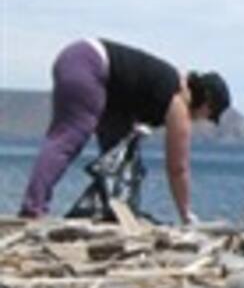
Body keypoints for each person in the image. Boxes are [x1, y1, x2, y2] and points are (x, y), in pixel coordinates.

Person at [19, 39, 230, 223]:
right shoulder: (178, 101)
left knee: (118, 153)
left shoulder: (168, 87)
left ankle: (112, 210)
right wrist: (185, 214)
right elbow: (178, 168)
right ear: (206, 101)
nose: (204, 121)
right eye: (209, 115)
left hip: (91, 69)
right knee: (69, 136)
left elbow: (132, 97)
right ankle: (33, 208)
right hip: (89, 64)